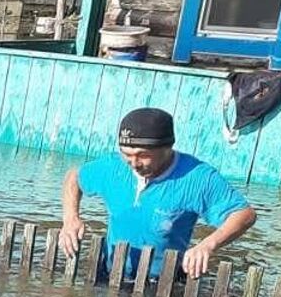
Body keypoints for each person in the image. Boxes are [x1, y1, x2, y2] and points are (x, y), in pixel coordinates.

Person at [59, 106, 258, 280]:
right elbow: (74, 177)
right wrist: (70, 219)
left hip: (162, 283)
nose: (134, 164)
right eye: (127, 154)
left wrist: (207, 245)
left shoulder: (197, 178)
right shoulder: (113, 167)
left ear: (167, 148)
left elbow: (244, 214)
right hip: (109, 274)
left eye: (143, 155)